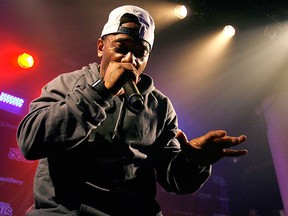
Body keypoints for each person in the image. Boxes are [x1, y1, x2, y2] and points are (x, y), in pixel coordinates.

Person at [17, 5, 247, 216]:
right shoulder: (66, 85)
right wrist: (100, 92)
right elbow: (30, 142)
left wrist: (194, 161)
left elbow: (176, 181)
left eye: (140, 53)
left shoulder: (159, 106)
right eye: (121, 47)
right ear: (101, 47)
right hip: (65, 212)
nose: (130, 59)